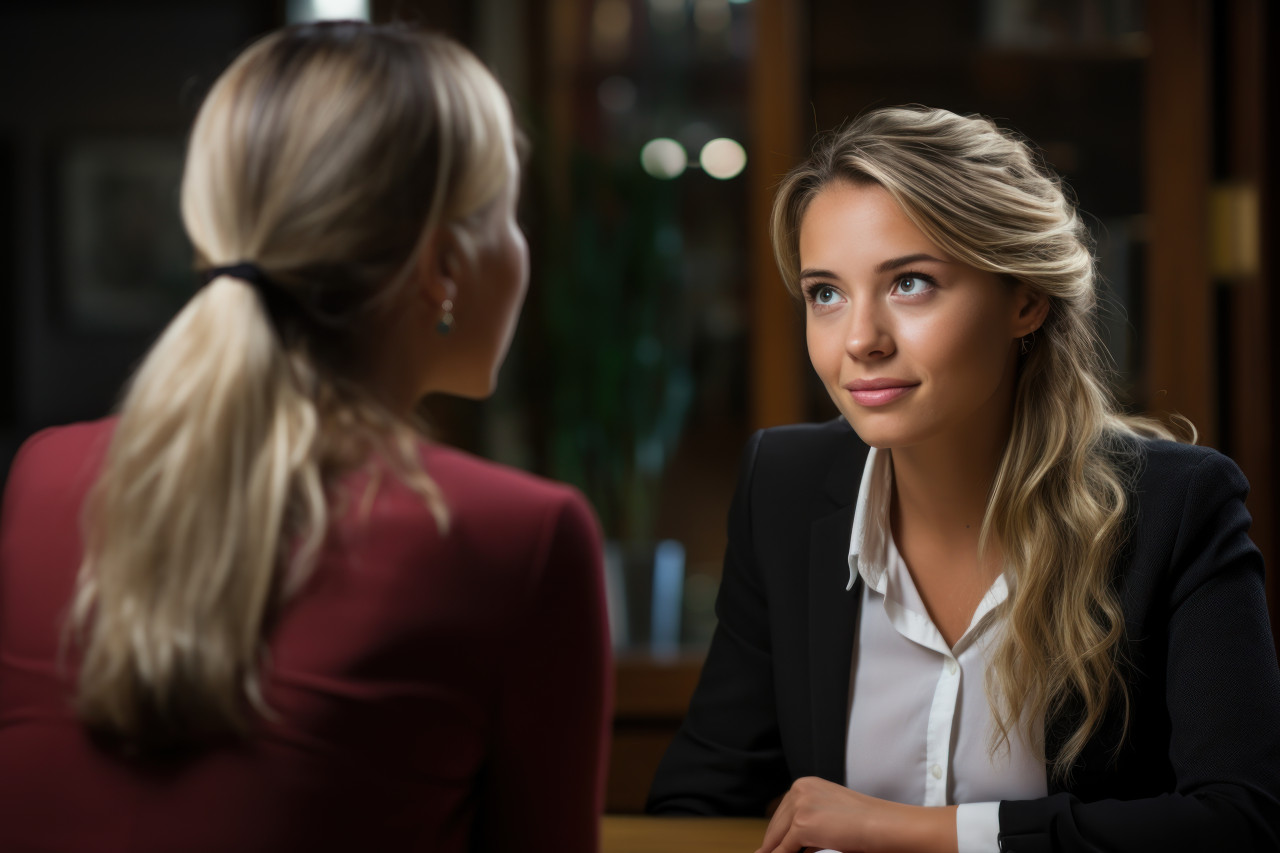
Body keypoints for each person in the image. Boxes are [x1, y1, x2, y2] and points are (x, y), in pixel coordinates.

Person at [0, 22, 611, 853]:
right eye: (509, 212)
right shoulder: (517, 537)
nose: (522, 246)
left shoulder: (46, 478)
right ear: (444, 266)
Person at [647, 106, 1280, 853]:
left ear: (1025, 299)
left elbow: (1237, 823)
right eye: (826, 293)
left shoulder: (1177, 507)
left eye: (911, 282)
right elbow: (697, 801)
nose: (860, 340)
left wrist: (911, 831)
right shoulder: (782, 488)